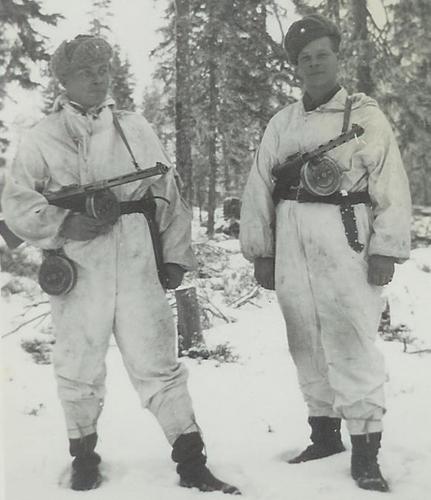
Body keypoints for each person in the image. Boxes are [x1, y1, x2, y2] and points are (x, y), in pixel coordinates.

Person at [2, 35, 240, 495]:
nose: (97, 79)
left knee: (159, 362)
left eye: (102, 70)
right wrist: (64, 222)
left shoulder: (135, 128)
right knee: (78, 365)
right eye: (85, 72)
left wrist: (174, 257)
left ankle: (192, 462)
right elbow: (16, 203)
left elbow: (167, 193)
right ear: (64, 80)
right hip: (78, 264)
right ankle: (84, 458)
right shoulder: (43, 136)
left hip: (136, 256)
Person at [240, 14, 411, 493]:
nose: (314, 64)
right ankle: (324, 436)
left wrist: (386, 249)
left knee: (351, 339)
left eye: (322, 55)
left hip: (345, 238)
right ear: (295, 66)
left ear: (338, 58)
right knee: (305, 339)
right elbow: (259, 186)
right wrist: (262, 251)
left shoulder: (364, 118)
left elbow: (391, 185)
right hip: (292, 241)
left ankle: (366, 452)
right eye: (305, 58)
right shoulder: (283, 123)